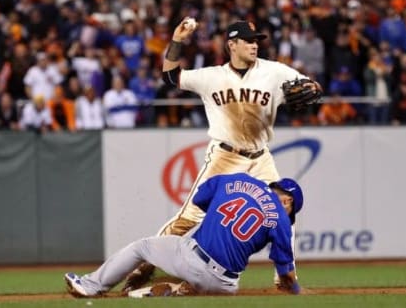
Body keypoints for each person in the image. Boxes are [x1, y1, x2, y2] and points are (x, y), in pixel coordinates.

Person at [122, 18, 321, 291]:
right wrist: (178, 40)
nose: (254, 45)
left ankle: (285, 279)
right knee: (189, 219)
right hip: (225, 156)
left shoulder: (274, 72)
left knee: (282, 214)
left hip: (261, 157)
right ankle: (144, 265)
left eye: (256, 41)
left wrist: (314, 88)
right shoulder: (211, 77)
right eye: (248, 40)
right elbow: (170, 76)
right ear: (232, 45)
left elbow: (310, 85)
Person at [64, 173, 303, 297]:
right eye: (292, 209)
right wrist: (295, 291)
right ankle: (180, 290)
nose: (288, 213)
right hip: (224, 285)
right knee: (213, 283)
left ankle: (91, 286)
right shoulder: (281, 220)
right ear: (287, 200)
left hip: (191, 259)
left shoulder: (237, 179)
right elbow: (286, 276)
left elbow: (200, 200)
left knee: (141, 247)